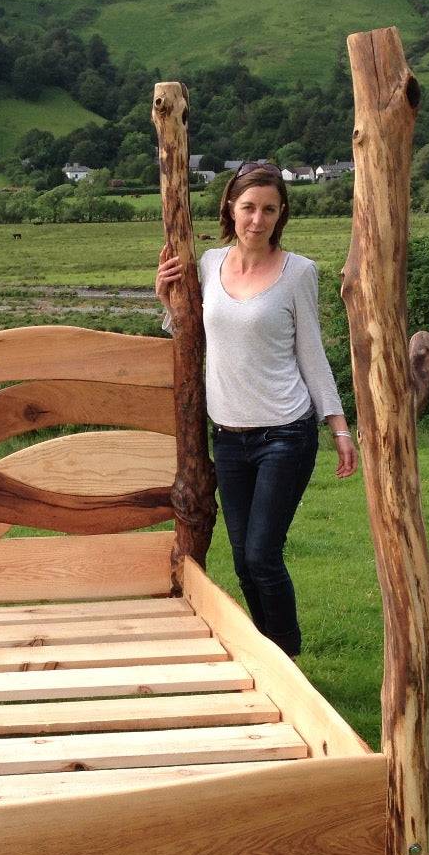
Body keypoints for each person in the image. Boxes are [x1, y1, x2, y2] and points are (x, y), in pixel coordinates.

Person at [155, 160, 357, 657]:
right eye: (248, 207)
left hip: (285, 433)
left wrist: (339, 426)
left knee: (263, 556)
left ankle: (286, 657)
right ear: (230, 207)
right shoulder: (207, 264)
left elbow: (311, 353)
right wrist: (166, 298)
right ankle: (270, 656)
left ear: (281, 212)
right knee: (243, 561)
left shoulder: (298, 272)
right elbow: (189, 336)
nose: (257, 219)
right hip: (228, 437)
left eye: (269, 209)